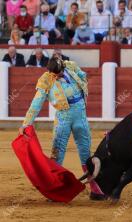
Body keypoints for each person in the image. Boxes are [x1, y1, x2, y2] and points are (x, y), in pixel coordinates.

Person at [19, 56, 105, 201]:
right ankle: (54, 190)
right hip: (63, 118)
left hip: (81, 115)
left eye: (60, 72)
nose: (59, 75)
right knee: (57, 153)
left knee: (85, 153)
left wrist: (83, 79)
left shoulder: (70, 66)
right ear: (51, 72)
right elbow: (37, 103)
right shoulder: (46, 80)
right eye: (56, 74)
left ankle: (95, 189)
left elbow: (83, 76)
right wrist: (26, 123)